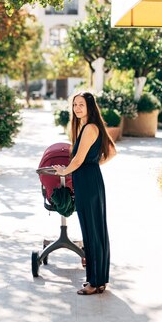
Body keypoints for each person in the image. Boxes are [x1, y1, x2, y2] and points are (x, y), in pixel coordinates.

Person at [52, 91, 116, 295]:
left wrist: (64, 171)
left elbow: (78, 160)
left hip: (88, 182)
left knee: (91, 230)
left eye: (81, 104)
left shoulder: (89, 128)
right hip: (90, 179)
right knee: (95, 229)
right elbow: (111, 152)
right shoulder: (89, 127)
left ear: (90, 107)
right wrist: (94, 165)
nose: (77, 108)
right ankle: (98, 280)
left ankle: (95, 283)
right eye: (74, 104)